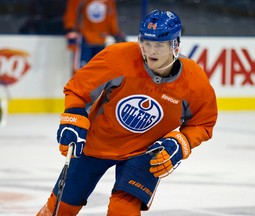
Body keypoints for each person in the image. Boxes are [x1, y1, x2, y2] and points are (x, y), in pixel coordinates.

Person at [37, 9, 218, 216]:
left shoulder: (193, 80)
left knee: (122, 211)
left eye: (159, 45)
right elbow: (78, 89)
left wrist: (181, 142)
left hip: (145, 152)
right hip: (97, 143)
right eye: (146, 43)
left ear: (175, 45)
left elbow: (203, 122)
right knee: (60, 209)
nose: (151, 51)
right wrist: (74, 115)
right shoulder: (118, 56)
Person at [63, 0, 126, 75]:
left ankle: (94, 86)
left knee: (98, 71)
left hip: (101, 39)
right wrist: (71, 29)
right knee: (80, 70)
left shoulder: (109, 1)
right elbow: (72, 12)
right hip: (84, 38)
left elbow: (111, 16)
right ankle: (79, 86)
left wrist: (116, 32)